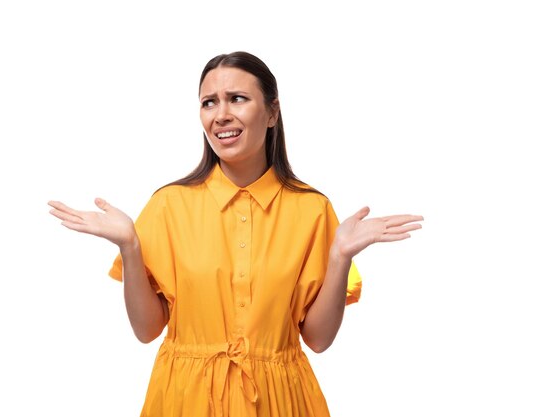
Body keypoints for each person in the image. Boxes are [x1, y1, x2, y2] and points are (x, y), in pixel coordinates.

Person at [48, 51, 423, 417]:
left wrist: (341, 255)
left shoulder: (312, 210)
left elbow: (318, 340)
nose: (221, 114)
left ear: (272, 112)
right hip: (185, 399)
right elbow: (147, 331)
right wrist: (129, 246)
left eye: (237, 99)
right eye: (209, 102)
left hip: (281, 401)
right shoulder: (168, 205)